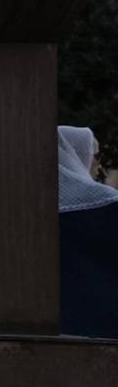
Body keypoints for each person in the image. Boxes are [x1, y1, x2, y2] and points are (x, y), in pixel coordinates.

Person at [59, 126, 118, 339]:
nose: (97, 162)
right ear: (76, 153)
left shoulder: (29, 205)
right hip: (105, 313)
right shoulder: (107, 201)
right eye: (95, 154)